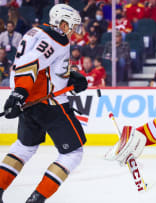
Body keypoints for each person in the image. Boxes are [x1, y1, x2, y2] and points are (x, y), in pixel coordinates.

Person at [0, 4, 88, 203]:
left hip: (31, 103)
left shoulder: (36, 31)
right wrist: (19, 93)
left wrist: (70, 77)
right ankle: (35, 201)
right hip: (50, 104)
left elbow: (42, 66)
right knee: (72, 154)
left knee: (24, 147)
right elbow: (29, 66)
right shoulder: (55, 38)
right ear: (61, 23)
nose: (73, 30)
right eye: (71, 25)